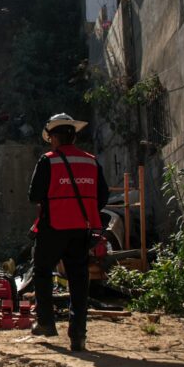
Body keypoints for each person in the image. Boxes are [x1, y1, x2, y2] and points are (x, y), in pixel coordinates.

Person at [28, 113, 109, 352]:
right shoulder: (91, 161)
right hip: (82, 228)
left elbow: (33, 195)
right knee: (78, 280)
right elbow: (102, 197)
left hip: (53, 227)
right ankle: (78, 335)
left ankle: (45, 322)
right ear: (73, 135)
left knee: (42, 271)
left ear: (53, 137)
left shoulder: (48, 160)